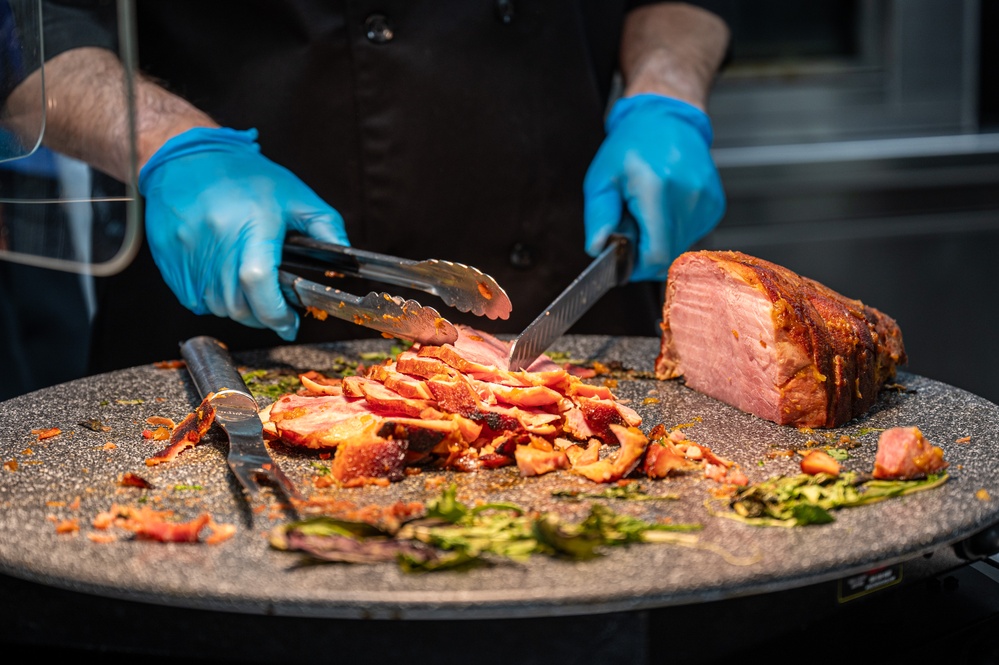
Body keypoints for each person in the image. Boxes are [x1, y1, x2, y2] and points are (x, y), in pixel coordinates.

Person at [1, 0, 729, 377]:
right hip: (230, 311)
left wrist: (667, 90)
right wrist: (171, 145)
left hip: (576, 283)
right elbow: (24, 27)